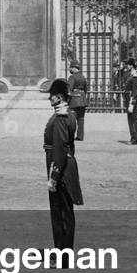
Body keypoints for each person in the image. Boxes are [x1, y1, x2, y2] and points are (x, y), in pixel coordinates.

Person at [44, 78, 83, 250]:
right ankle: (62, 250)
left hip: (60, 166)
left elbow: (60, 148)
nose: (50, 98)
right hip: (65, 164)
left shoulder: (61, 117)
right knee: (63, 211)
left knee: (60, 211)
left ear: (59, 97)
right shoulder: (69, 115)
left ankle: (63, 253)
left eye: (52, 95)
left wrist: (54, 176)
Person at [67, 60, 89, 142]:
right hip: (82, 100)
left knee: (72, 119)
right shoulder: (83, 77)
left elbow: (69, 89)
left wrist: (68, 98)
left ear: (73, 68)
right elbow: (86, 89)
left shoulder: (72, 77)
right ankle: (80, 136)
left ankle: (70, 136)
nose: (69, 69)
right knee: (81, 119)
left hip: (74, 100)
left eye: (70, 67)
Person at [124, 59, 137, 145]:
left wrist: (132, 102)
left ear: (131, 65)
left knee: (133, 119)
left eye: (128, 64)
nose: (127, 66)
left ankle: (134, 139)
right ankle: (132, 137)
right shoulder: (130, 74)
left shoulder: (134, 75)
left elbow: (135, 90)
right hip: (129, 98)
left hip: (132, 99)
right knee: (130, 119)